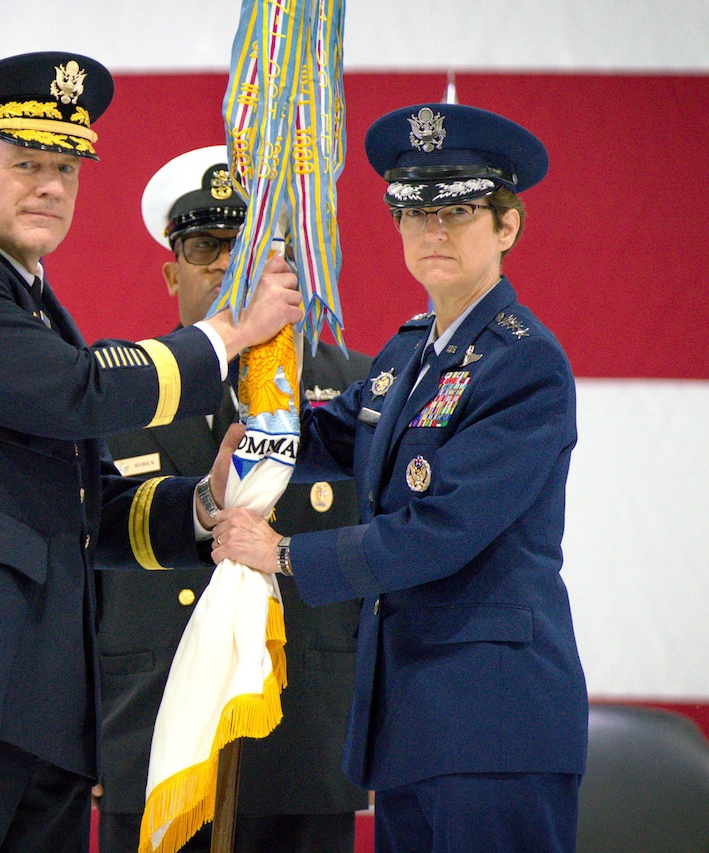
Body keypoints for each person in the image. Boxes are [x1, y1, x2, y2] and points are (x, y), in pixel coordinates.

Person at [0, 53, 302, 853]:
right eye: (25, 164)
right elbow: (76, 390)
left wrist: (204, 500)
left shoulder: (35, 308)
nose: (50, 184)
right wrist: (230, 333)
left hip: (45, 703)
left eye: (65, 167)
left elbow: (94, 508)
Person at [209, 102, 589, 852]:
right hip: (414, 718)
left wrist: (283, 554)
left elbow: (441, 530)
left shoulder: (524, 364)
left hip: (495, 725)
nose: (434, 232)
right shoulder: (408, 354)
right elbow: (323, 434)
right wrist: (260, 400)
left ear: (507, 227)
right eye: (416, 213)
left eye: (458, 211)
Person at [94, 146, 371, 853]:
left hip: (307, 742)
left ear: (287, 265)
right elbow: (79, 573)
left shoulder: (360, 395)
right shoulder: (115, 393)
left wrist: (376, 725)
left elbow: (387, 577)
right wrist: (83, 729)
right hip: (151, 736)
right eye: (206, 246)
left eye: (247, 246)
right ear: (170, 270)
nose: (226, 265)